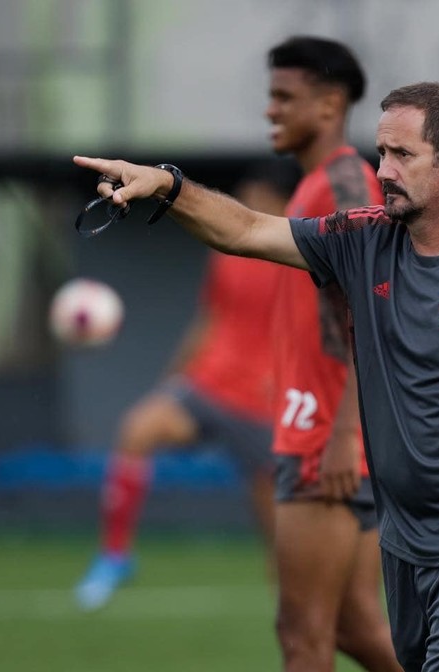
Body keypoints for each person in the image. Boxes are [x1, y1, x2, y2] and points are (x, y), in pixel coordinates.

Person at [73, 80, 439, 671]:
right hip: (404, 543)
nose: (382, 170)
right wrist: (168, 187)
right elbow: (248, 230)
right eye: (381, 152)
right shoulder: (364, 239)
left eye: (402, 155)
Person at [74, 158, 301, 611]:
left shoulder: (297, 253)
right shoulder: (229, 252)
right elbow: (209, 320)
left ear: (285, 203)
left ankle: (290, 600)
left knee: (279, 537)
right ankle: (115, 555)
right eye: (247, 195)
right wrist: (174, 378)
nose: (250, 204)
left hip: (261, 402)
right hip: (208, 384)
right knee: (138, 429)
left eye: (260, 197)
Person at [260, 36, 401, 672]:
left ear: (329, 105)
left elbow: (377, 299)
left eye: (284, 97)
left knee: (302, 635)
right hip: (326, 429)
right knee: (353, 627)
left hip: (326, 436)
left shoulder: (345, 180)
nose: (271, 110)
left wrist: (346, 428)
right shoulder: (318, 183)